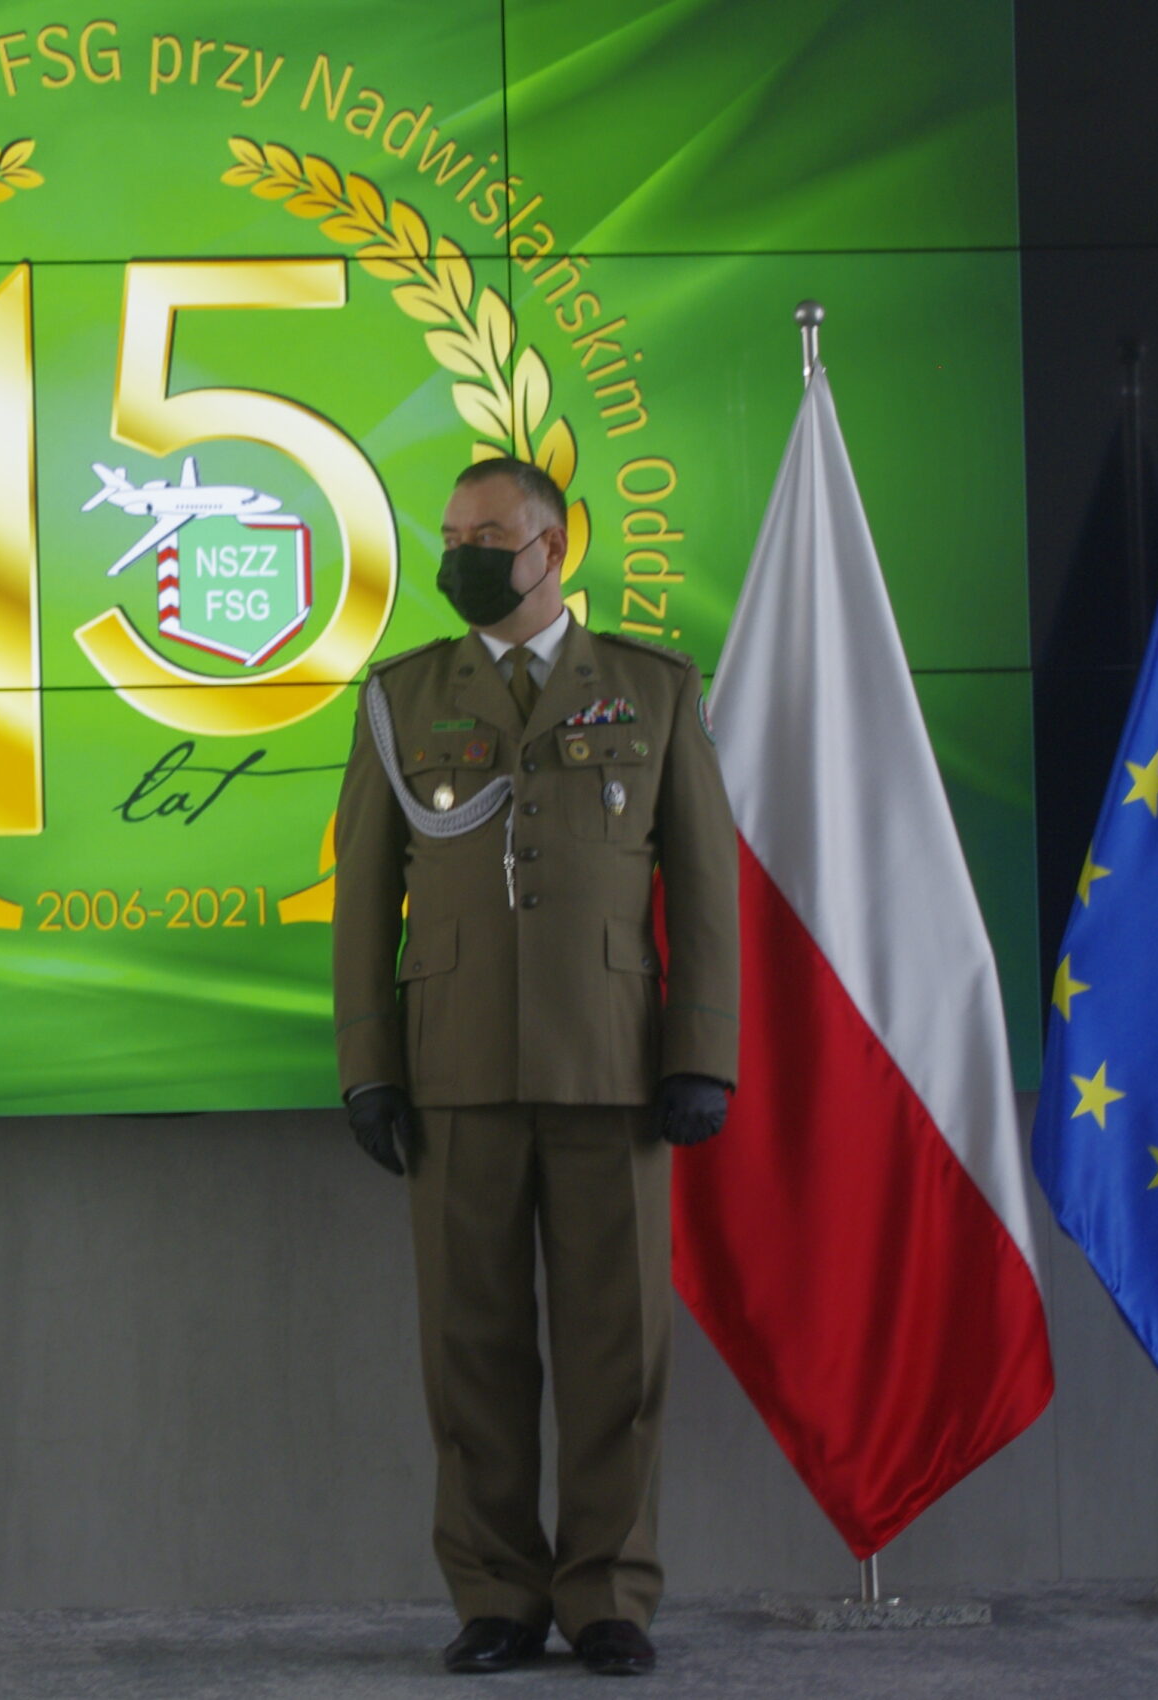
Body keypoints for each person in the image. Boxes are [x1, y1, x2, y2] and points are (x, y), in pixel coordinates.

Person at [330, 457, 737, 1677]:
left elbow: (704, 886)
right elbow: (364, 895)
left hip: (613, 1066)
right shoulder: (403, 696)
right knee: (471, 1352)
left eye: (485, 535)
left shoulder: (651, 689)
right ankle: (496, 1593)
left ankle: (608, 1593)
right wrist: (368, 1064)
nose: (459, 553)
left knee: (620, 1353)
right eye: (451, 533)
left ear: (550, 548)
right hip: (454, 1067)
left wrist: (700, 1051)